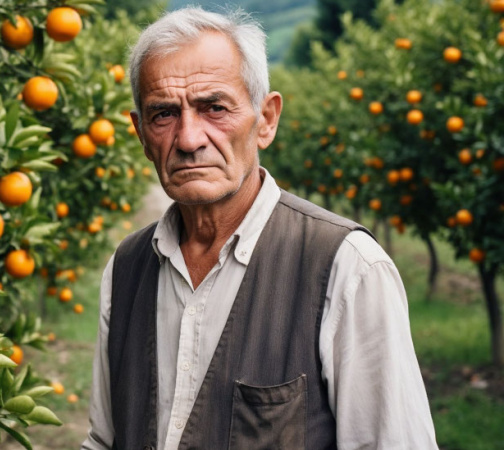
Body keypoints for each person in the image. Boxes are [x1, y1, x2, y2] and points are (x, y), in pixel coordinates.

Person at [82, 6, 437, 450]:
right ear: (140, 133)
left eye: (215, 108)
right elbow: (103, 439)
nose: (189, 139)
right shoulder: (127, 268)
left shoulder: (346, 268)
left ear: (266, 119)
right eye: (164, 115)